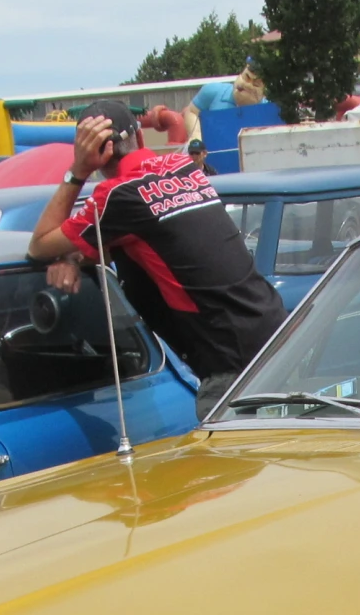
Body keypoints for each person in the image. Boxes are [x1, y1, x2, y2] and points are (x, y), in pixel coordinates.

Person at [27, 100, 285, 414]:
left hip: (230, 366)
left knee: (233, 462)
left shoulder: (118, 195)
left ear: (97, 154)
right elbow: (144, 239)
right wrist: (72, 258)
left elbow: (39, 244)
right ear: (140, 136)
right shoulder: (185, 168)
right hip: (278, 338)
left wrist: (77, 171)